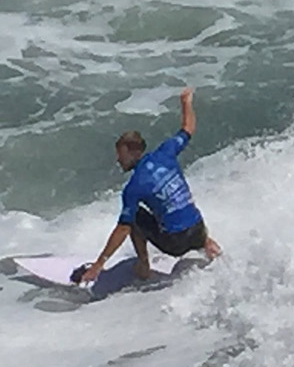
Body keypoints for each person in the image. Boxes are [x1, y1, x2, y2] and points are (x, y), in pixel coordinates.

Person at [81, 87, 220, 284]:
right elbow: (188, 128)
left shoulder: (134, 186)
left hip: (177, 243)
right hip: (199, 229)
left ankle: (144, 266)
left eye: (120, 155)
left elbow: (122, 229)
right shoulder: (166, 152)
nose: (118, 160)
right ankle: (208, 244)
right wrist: (186, 102)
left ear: (132, 152)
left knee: (135, 216)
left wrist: (98, 265)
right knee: (177, 205)